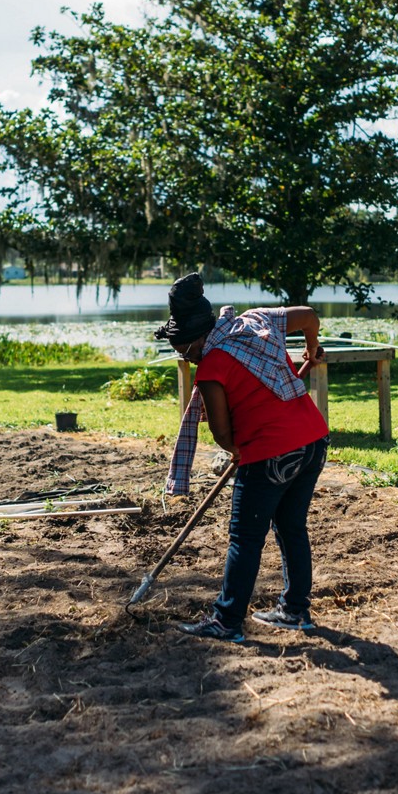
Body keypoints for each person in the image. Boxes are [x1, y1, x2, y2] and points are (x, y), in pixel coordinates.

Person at [154, 273, 329, 642]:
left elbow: (221, 433)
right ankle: (295, 610)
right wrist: (312, 348)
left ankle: (226, 620)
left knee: (245, 536)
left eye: (185, 350)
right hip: (313, 440)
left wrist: (238, 451)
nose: (187, 355)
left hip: (272, 451)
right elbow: (310, 316)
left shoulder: (212, 366)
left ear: (198, 338)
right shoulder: (255, 321)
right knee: (291, 526)